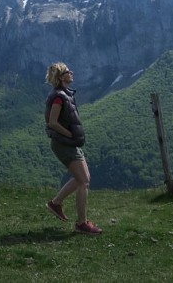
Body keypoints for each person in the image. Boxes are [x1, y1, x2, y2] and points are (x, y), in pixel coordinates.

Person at [44, 62, 102, 235]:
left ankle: (56, 203)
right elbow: (52, 122)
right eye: (68, 71)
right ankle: (81, 223)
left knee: (83, 179)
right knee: (83, 180)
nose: (72, 72)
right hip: (64, 144)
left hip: (70, 143)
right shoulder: (58, 97)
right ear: (62, 77)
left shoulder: (64, 95)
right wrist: (69, 134)